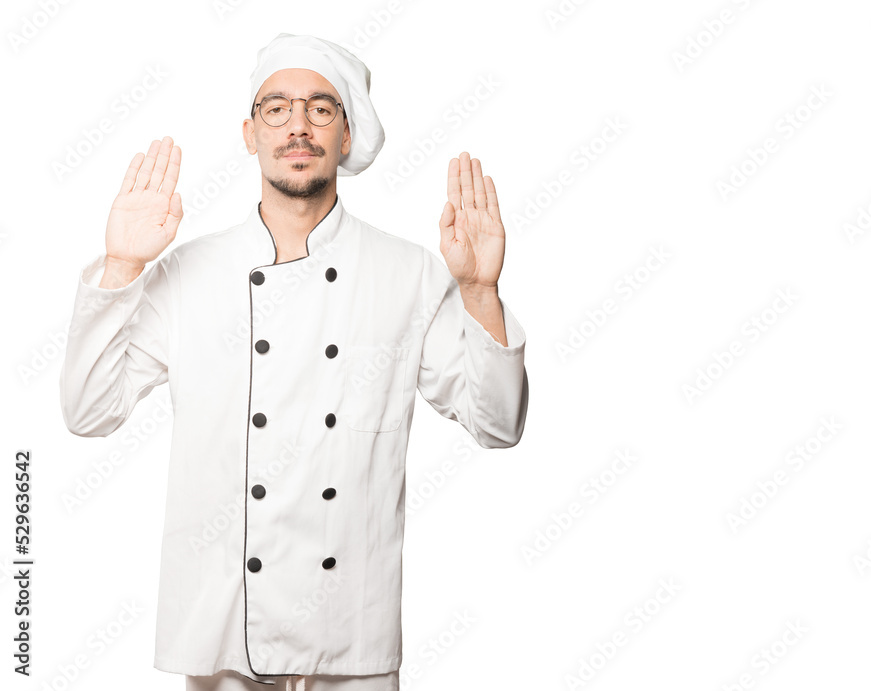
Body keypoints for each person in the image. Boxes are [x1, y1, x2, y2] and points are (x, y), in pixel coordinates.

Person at [59, 33, 528, 691]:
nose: (298, 126)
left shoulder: (408, 273)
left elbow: (498, 423)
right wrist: (122, 266)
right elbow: (88, 410)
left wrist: (481, 292)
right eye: (276, 109)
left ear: (345, 134)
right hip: (220, 644)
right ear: (250, 133)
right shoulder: (191, 272)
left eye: (321, 109)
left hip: (351, 646)